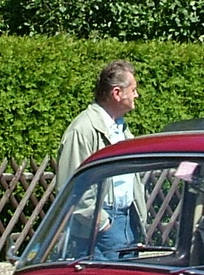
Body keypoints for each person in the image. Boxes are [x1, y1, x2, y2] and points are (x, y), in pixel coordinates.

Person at [57, 60, 142, 259]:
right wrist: (102, 223)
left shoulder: (121, 128)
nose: (136, 95)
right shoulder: (83, 130)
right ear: (117, 93)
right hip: (99, 229)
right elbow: (72, 186)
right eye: (133, 90)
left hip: (126, 221)